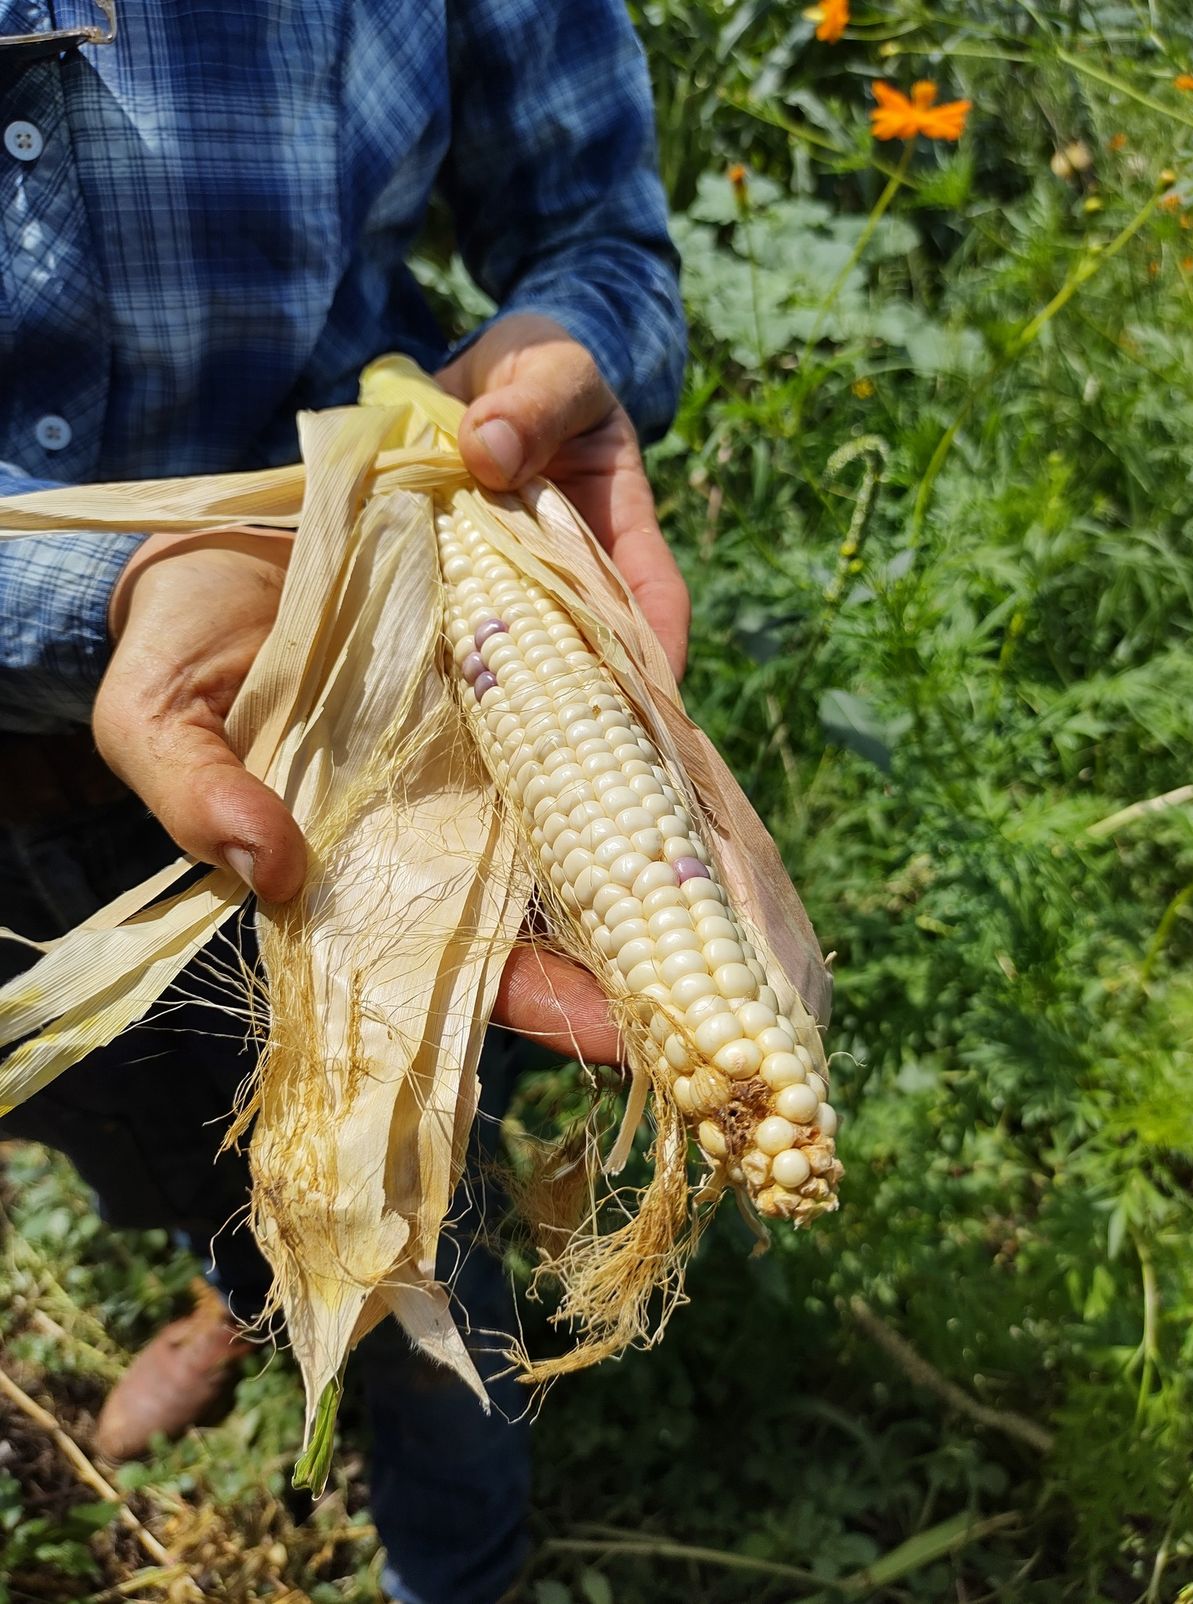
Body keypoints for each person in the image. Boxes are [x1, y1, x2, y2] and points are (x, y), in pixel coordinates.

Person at [0, 0, 689, 1598]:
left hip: (361, 741)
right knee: (176, 1159)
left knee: (415, 1249)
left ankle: (461, 1564)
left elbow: (599, 240)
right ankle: (231, 1285)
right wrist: (108, 595)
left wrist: (555, 362)